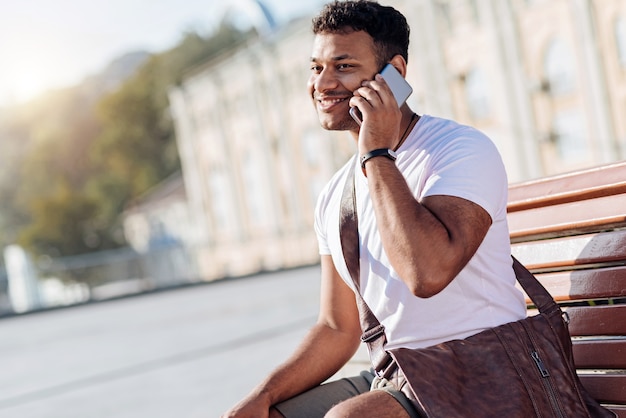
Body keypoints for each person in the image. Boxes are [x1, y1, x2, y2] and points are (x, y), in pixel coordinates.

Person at [222, 1, 527, 417]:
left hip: (487, 367)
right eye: (316, 68)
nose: (323, 83)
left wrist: (377, 152)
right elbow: (337, 328)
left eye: (343, 66)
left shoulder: (459, 150)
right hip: (400, 376)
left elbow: (427, 272)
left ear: (394, 75)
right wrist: (263, 395)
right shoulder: (335, 194)